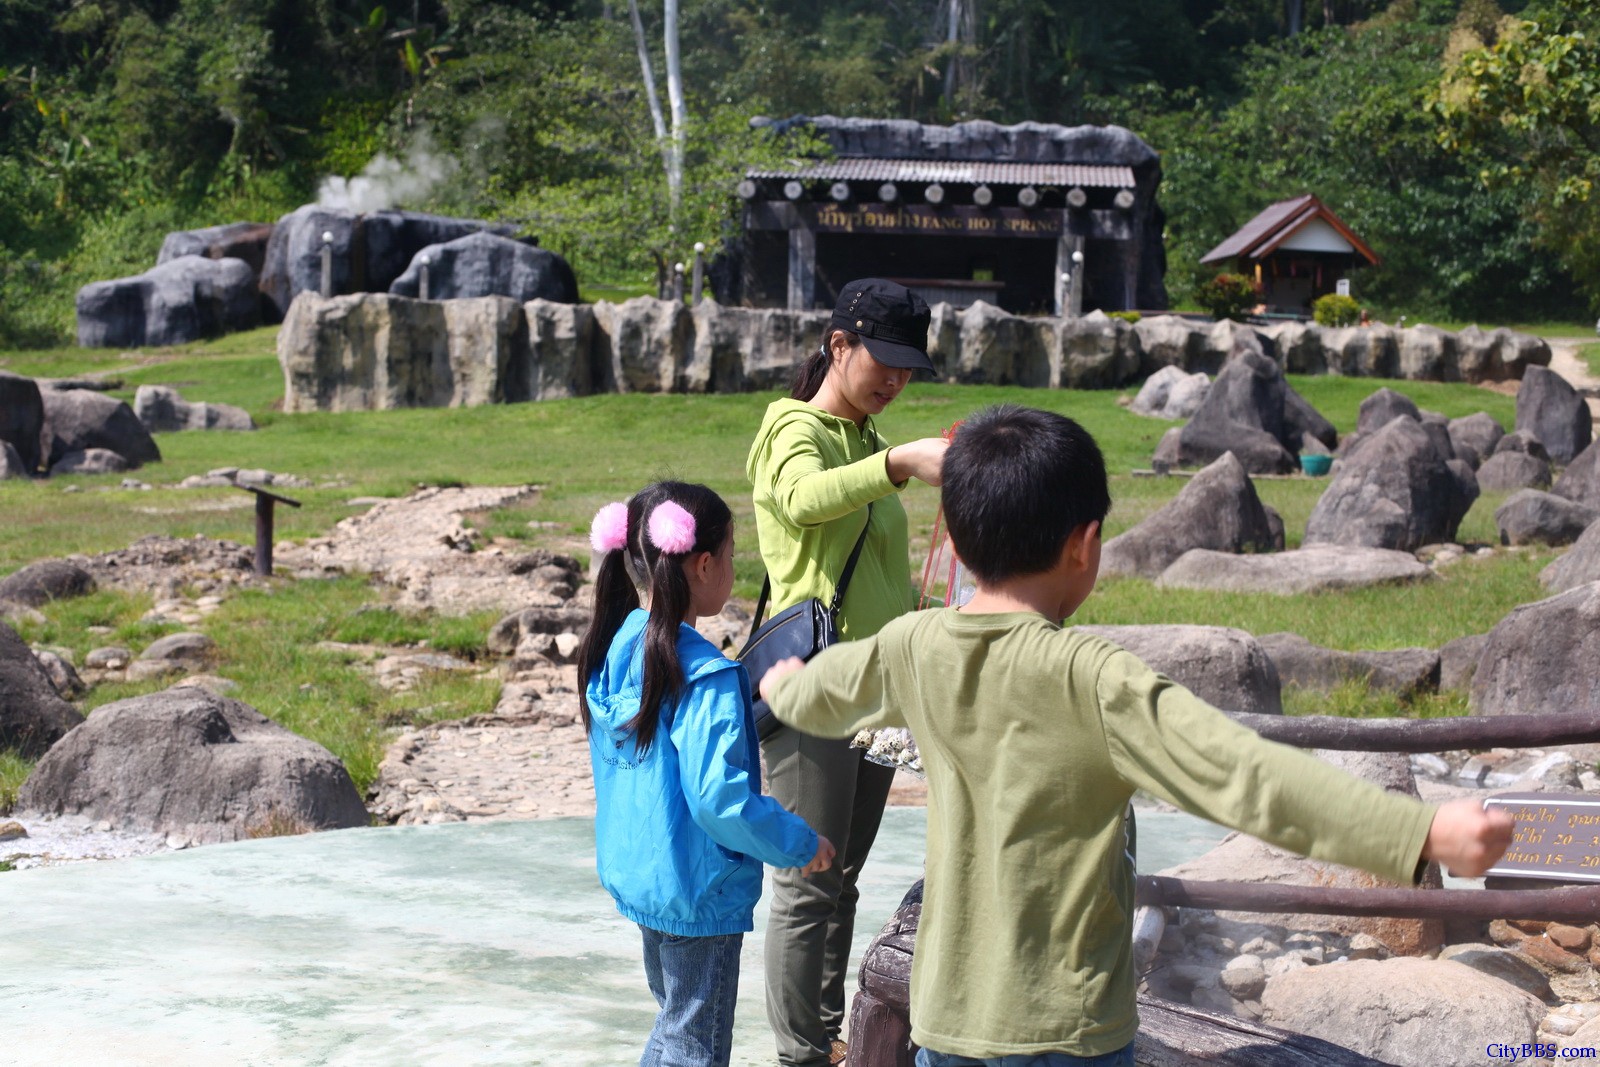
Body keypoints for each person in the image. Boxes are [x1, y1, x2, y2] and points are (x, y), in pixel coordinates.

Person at [759, 404, 1514, 1067]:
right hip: (1065, 1030)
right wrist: (1420, 832)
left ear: (955, 535)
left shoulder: (912, 646)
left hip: (947, 1024)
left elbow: (824, 692)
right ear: (1084, 546)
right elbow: (1245, 777)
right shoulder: (1095, 679)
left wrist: (780, 682)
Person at [746, 278, 950, 1067]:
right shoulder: (791, 427)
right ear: (839, 345)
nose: (894, 380)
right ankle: (798, 1053)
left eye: (908, 368)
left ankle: (827, 1034)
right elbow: (800, 501)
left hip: (870, 691)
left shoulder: (867, 440)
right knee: (806, 878)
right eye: (883, 361)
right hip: (810, 685)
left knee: (844, 876)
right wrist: (899, 460)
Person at [577, 481, 836, 1067]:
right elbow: (720, 800)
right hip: (698, 892)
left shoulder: (613, 646)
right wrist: (798, 842)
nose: (733, 568)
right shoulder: (704, 673)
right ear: (702, 562)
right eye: (732, 554)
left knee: (676, 1025)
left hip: (643, 877)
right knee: (695, 1044)